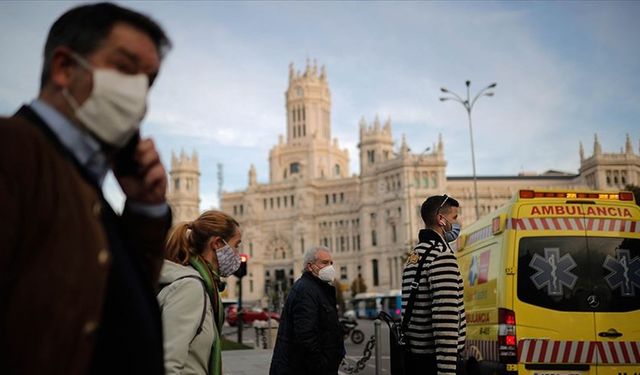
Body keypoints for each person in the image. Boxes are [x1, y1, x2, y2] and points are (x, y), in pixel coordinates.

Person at [0, 3, 172, 375]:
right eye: (124, 68)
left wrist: (145, 211)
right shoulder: (13, 150)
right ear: (64, 68)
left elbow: (115, 302)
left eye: (148, 80)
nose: (137, 92)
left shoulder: (82, 179)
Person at [158, 210, 243, 375]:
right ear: (217, 243)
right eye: (236, 245)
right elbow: (168, 364)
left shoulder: (205, 286)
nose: (237, 254)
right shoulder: (190, 288)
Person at [401, 194, 467, 375]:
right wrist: (447, 372)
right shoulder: (441, 256)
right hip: (437, 363)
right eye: (454, 217)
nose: (457, 223)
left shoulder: (415, 256)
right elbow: (445, 322)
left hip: (417, 359)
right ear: (441, 219)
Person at [269, 246, 344, 375]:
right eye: (325, 263)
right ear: (310, 266)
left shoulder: (317, 289)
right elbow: (306, 337)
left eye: (331, 263)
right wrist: (323, 367)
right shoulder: (306, 291)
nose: (330, 267)